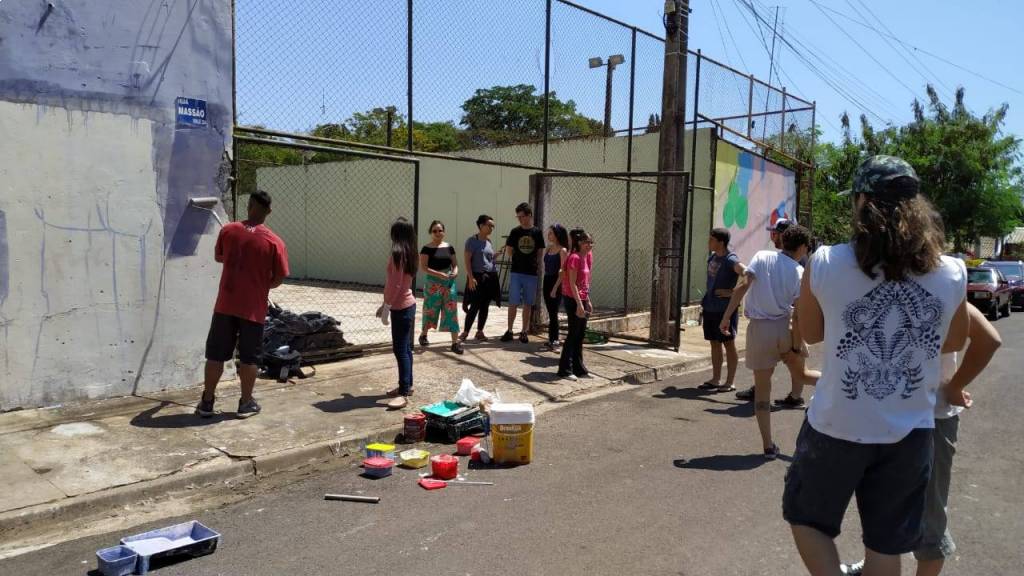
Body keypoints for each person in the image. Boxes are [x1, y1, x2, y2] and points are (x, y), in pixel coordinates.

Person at [785, 155, 971, 576]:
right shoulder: (952, 272)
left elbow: (811, 332)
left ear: (862, 201)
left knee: (806, 517)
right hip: (911, 430)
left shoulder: (825, 261)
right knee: (886, 544)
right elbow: (955, 339)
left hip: (836, 423)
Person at [841, 303, 1002, 576]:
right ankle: (874, 565)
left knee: (928, 517)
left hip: (929, 420)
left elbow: (989, 339)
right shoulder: (891, 288)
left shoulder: (941, 288)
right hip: (887, 416)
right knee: (884, 503)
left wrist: (955, 387)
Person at [719, 224, 812, 459]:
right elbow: (798, 314)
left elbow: (743, 286)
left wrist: (726, 317)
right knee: (803, 374)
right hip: (785, 327)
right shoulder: (799, 272)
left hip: (760, 330)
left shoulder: (761, 256)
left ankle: (768, 446)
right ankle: (840, 388)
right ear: (802, 247)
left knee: (762, 390)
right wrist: (797, 344)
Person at [196, 191, 288, 419]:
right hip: (253, 309)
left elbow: (220, 257)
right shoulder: (274, 242)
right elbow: (278, 278)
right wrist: (261, 285)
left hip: (225, 305)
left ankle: (207, 402)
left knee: (216, 355)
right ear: (269, 211)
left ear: (249, 206)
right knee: (249, 357)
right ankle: (245, 403)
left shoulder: (228, 231)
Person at [734, 217, 820, 405]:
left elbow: (799, 303)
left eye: (776, 233)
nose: (773, 237)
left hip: (790, 319)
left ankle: (795, 395)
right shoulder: (775, 257)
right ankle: (764, 389)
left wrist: (797, 341)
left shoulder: (798, 262)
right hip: (783, 320)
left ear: (786, 236)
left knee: (797, 362)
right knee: (783, 362)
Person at [698, 228, 746, 393]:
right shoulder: (713, 257)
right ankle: (716, 379)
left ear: (721, 242)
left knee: (728, 344)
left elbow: (747, 273)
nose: (709, 242)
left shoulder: (730, 259)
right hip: (710, 307)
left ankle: (730, 382)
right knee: (714, 343)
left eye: (712, 239)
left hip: (725, 310)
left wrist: (732, 292)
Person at [381, 217, 418, 410]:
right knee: (406, 349)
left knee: (400, 349)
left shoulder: (398, 253)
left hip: (401, 307)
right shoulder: (409, 252)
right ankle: (407, 385)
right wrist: (384, 304)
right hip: (407, 305)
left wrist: (387, 305)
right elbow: (400, 283)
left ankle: (403, 392)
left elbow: (395, 284)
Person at [501, 202, 545, 344]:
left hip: (531, 273)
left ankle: (524, 331)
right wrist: (516, 257)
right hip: (516, 271)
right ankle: (509, 330)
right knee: (513, 302)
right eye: (518, 217)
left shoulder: (537, 232)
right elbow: (509, 249)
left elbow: (540, 251)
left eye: (522, 216)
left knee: (527, 303)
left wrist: (536, 265)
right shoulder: (515, 231)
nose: (520, 219)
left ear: (529, 215)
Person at [418, 220, 463, 355]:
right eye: (434, 231)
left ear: (444, 232)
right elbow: (424, 267)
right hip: (433, 283)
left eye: (440, 230)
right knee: (431, 309)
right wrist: (439, 274)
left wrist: (455, 272)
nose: (438, 233)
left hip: (448, 282)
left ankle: (455, 343)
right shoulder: (426, 248)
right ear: (431, 233)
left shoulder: (449, 247)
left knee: (451, 311)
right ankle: (424, 334)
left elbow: (455, 264)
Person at [558, 230, 594, 380]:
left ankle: (579, 368)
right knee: (573, 334)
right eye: (587, 242)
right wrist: (579, 305)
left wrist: (587, 301)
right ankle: (564, 369)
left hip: (582, 299)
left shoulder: (586, 257)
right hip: (573, 299)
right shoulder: (574, 258)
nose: (589, 245)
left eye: (591, 242)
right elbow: (572, 284)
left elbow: (584, 283)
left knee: (580, 334)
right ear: (579, 243)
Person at [461, 215, 501, 342]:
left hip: (490, 277)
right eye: (489, 225)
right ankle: (465, 332)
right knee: (475, 305)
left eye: (493, 226)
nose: (491, 228)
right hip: (477, 277)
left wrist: (495, 256)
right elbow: (467, 261)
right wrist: (471, 278)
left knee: (485, 306)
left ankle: (480, 331)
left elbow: (488, 259)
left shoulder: (489, 242)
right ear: (481, 225)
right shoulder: (471, 241)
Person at [543, 224, 570, 351]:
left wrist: (555, 288)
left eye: (551, 233)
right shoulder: (548, 248)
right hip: (547, 280)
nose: (548, 235)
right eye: (548, 233)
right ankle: (551, 339)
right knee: (550, 312)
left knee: (554, 312)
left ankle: (555, 340)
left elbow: (562, 272)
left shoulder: (562, 250)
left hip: (556, 282)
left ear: (557, 235)